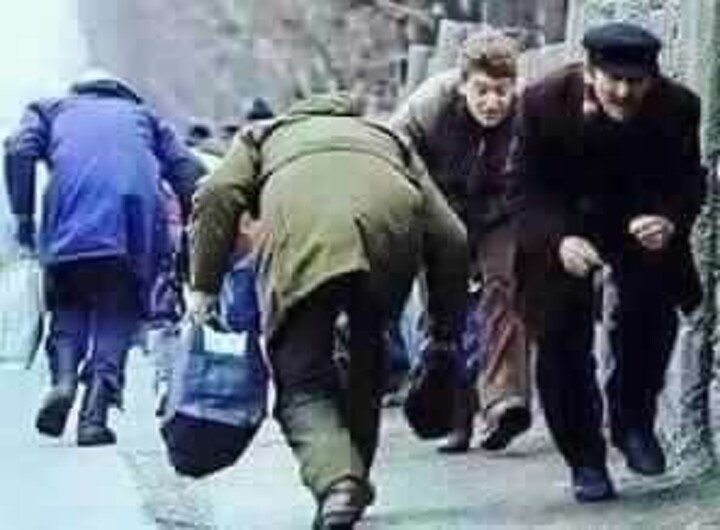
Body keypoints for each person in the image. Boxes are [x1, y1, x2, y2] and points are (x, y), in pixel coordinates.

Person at [188, 93, 467, 530]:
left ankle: (338, 482)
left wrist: (204, 285)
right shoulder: (386, 137)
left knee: (300, 381)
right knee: (368, 359)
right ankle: (354, 479)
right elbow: (451, 235)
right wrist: (444, 334)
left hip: (303, 240)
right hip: (389, 238)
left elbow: (217, 192)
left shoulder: (263, 135)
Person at [512, 22, 705, 502]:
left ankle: (632, 419)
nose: (623, 92)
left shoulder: (679, 106)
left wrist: (667, 219)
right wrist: (559, 240)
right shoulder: (541, 103)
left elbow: (688, 182)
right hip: (564, 224)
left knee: (652, 312)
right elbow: (524, 189)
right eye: (613, 80)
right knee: (558, 334)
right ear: (589, 72)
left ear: (653, 78)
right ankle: (584, 458)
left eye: (635, 82)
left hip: (639, 221)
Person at [4, 69, 203, 446]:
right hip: (130, 235)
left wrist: (24, 217)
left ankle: (63, 381)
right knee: (117, 314)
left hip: (67, 233)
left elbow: (18, 149)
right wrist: (194, 227)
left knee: (67, 308)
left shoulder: (51, 110)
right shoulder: (144, 118)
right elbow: (189, 170)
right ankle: (94, 417)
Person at [390, 30, 530, 453]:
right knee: (444, 309)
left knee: (504, 286)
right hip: (439, 208)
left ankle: (503, 401)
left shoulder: (528, 112)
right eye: (482, 91)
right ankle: (454, 415)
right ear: (462, 83)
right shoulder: (429, 105)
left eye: (502, 91)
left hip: (500, 211)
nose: (492, 102)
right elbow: (391, 155)